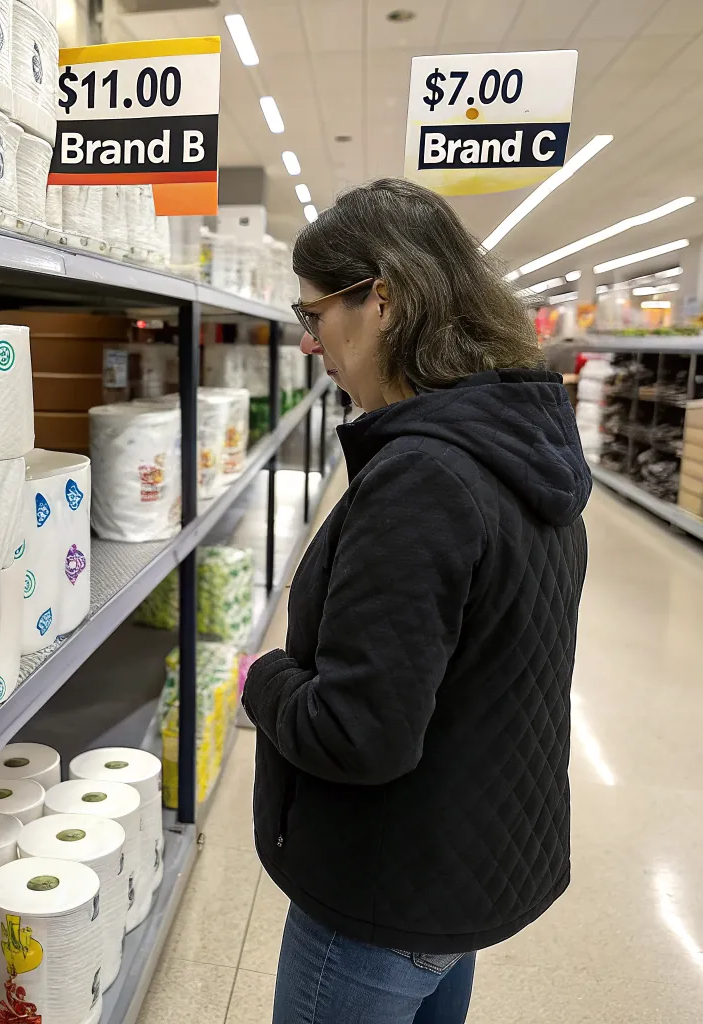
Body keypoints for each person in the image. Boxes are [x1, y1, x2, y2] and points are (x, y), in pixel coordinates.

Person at [241, 179, 590, 1024]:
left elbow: (360, 732)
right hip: (462, 862)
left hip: (383, 893)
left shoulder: (424, 481)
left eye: (315, 316)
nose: (312, 343)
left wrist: (264, 677)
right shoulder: (520, 444)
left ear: (384, 300)